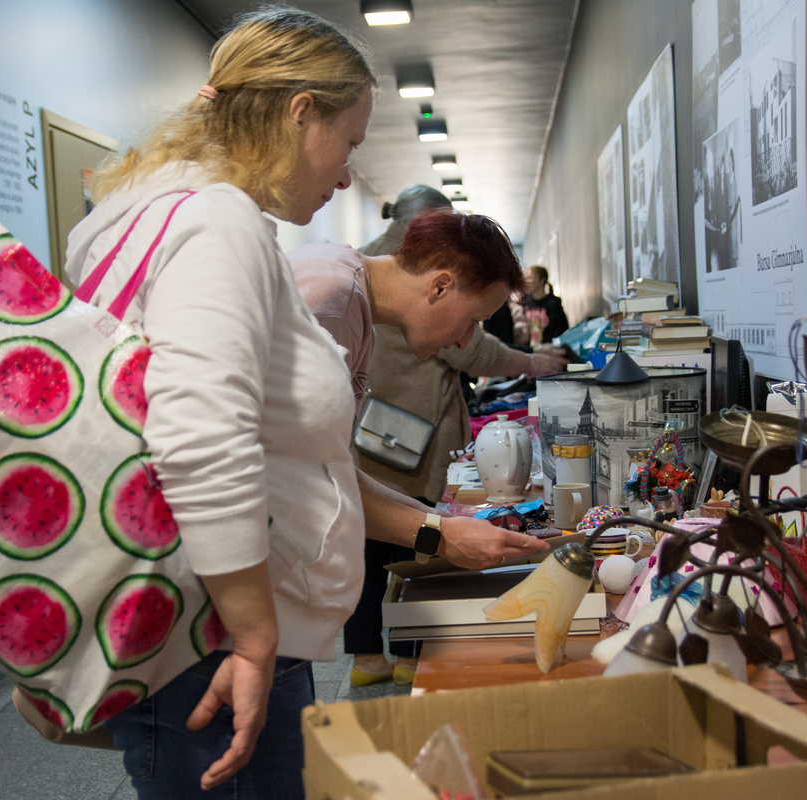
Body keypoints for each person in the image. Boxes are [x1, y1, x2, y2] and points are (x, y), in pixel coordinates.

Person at [61, 8, 374, 798]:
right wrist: (257, 636)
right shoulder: (216, 221)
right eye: (349, 145)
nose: (344, 176)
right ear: (302, 112)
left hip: (193, 625)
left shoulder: (135, 218)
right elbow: (199, 429)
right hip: (214, 639)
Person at [292, 208, 555, 685]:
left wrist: (443, 522)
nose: (464, 340)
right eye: (472, 320)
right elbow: (303, 477)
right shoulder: (332, 301)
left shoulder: (350, 294)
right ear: (439, 285)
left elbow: (329, 469)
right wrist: (437, 533)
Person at [521, 265, 570, 343]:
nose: (527, 281)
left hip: (549, 349)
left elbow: (561, 330)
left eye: (530, 277)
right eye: (526, 278)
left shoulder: (554, 303)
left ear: (542, 280)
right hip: (529, 351)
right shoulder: (524, 302)